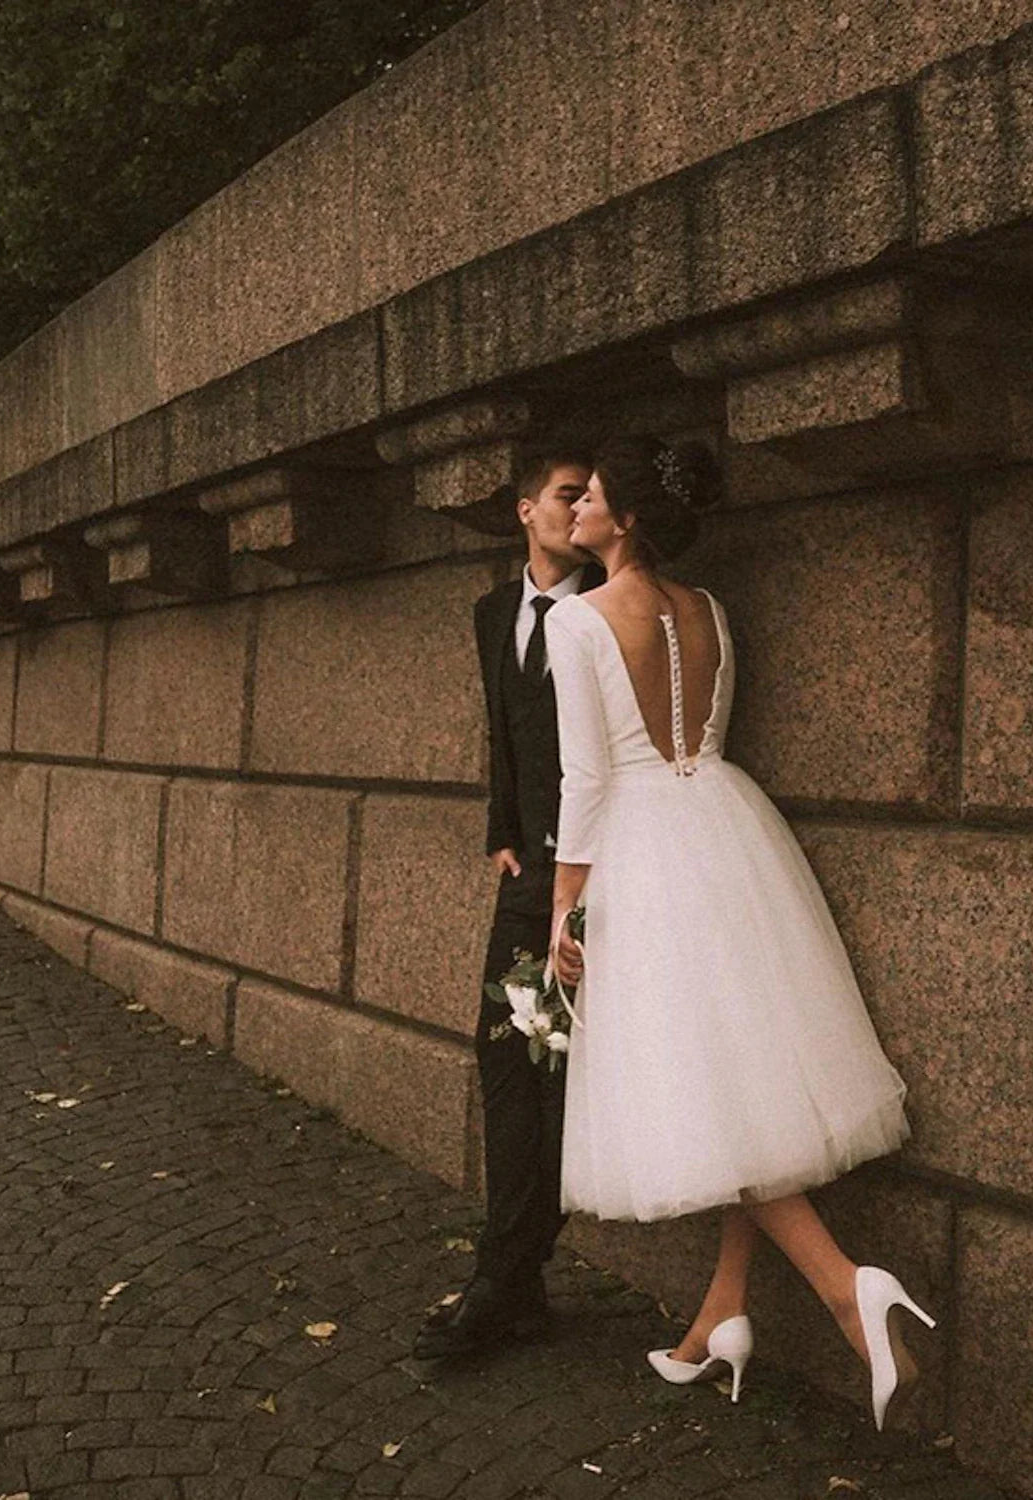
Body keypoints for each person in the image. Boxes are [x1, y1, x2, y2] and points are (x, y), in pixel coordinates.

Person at [543, 436, 934, 1430]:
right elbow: (699, 735)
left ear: (624, 519)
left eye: (591, 495)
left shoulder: (578, 622)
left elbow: (586, 778)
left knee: (702, 1086)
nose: (577, 505)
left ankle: (848, 1287)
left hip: (638, 843)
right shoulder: (709, 610)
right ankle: (720, 1317)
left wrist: (562, 907)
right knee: (739, 1081)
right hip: (726, 821)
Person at [413, 445, 603, 1359]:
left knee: (555, 1073)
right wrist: (501, 828)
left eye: (589, 497)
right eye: (567, 495)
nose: (579, 509)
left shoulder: (609, 607)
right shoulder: (493, 610)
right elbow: (504, 729)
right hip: (527, 875)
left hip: (595, 880)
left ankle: (502, 1278)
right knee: (502, 1059)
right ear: (525, 509)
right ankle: (511, 1282)